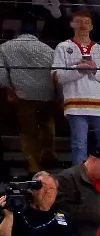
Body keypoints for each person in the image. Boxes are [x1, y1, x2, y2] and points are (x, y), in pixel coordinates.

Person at [54, 10, 100, 167]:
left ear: (92, 26)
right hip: (76, 105)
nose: (83, 25)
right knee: (79, 146)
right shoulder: (63, 47)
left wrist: (94, 70)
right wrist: (79, 70)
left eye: (87, 22)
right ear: (71, 24)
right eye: (79, 21)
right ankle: (79, 182)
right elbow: (57, 76)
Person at [1, 29, 61, 172]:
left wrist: (9, 91)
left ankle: (34, 167)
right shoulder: (48, 49)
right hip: (47, 95)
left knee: (28, 133)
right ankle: (48, 156)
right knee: (47, 125)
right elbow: (57, 74)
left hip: (24, 96)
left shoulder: (5, 47)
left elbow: (1, 72)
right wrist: (59, 96)